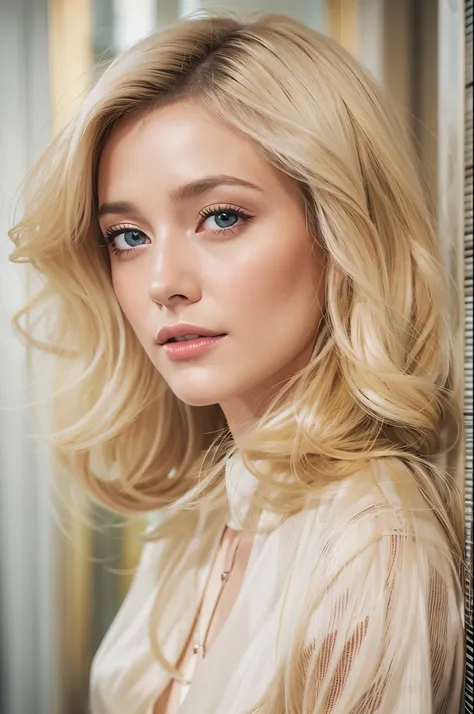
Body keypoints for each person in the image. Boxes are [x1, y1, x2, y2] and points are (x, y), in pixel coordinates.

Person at [9, 12, 464, 714]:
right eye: (127, 235)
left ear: (340, 229)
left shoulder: (369, 550)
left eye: (221, 217)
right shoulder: (203, 514)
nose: (163, 280)